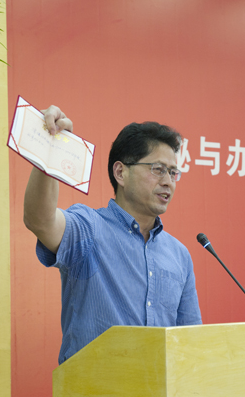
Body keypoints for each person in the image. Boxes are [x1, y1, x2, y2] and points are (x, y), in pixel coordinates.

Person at [23, 105, 202, 364]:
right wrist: (51, 150)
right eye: (158, 169)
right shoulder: (88, 228)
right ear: (121, 173)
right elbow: (40, 220)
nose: (168, 182)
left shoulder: (179, 255)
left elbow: (192, 341)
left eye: (173, 173)